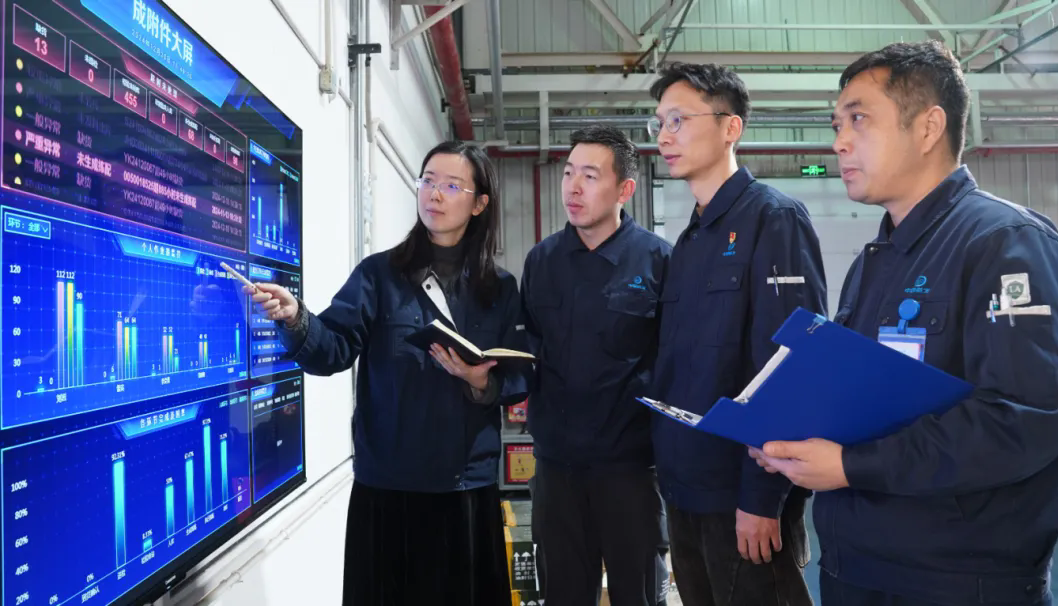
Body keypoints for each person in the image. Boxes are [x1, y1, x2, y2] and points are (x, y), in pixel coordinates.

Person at [750, 41, 1058, 606]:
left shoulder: (1007, 245)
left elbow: (1022, 421)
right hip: (858, 569)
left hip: (956, 582)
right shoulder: (876, 260)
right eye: (837, 124)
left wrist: (850, 465)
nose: (839, 142)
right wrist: (798, 440)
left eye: (859, 119)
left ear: (928, 127)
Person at [247, 141, 530, 606]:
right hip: (387, 491)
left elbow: (517, 373)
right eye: (428, 181)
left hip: (464, 490)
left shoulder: (498, 288)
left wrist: (483, 382)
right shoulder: (379, 275)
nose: (434, 194)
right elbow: (333, 349)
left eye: (451, 186)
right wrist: (296, 318)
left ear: (479, 204)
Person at [647, 62, 827, 606]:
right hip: (684, 493)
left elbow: (790, 367)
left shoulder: (774, 219)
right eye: (659, 122)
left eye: (679, 120)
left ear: (731, 127)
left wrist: (762, 498)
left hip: (741, 500)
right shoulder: (689, 240)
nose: (664, 136)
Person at [520, 125, 672, 605]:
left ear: (625, 189)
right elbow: (528, 352)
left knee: (638, 596)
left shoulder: (658, 260)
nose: (573, 187)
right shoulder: (542, 261)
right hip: (556, 470)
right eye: (568, 173)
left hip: (631, 471)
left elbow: (675, 362)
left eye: (590, 176)